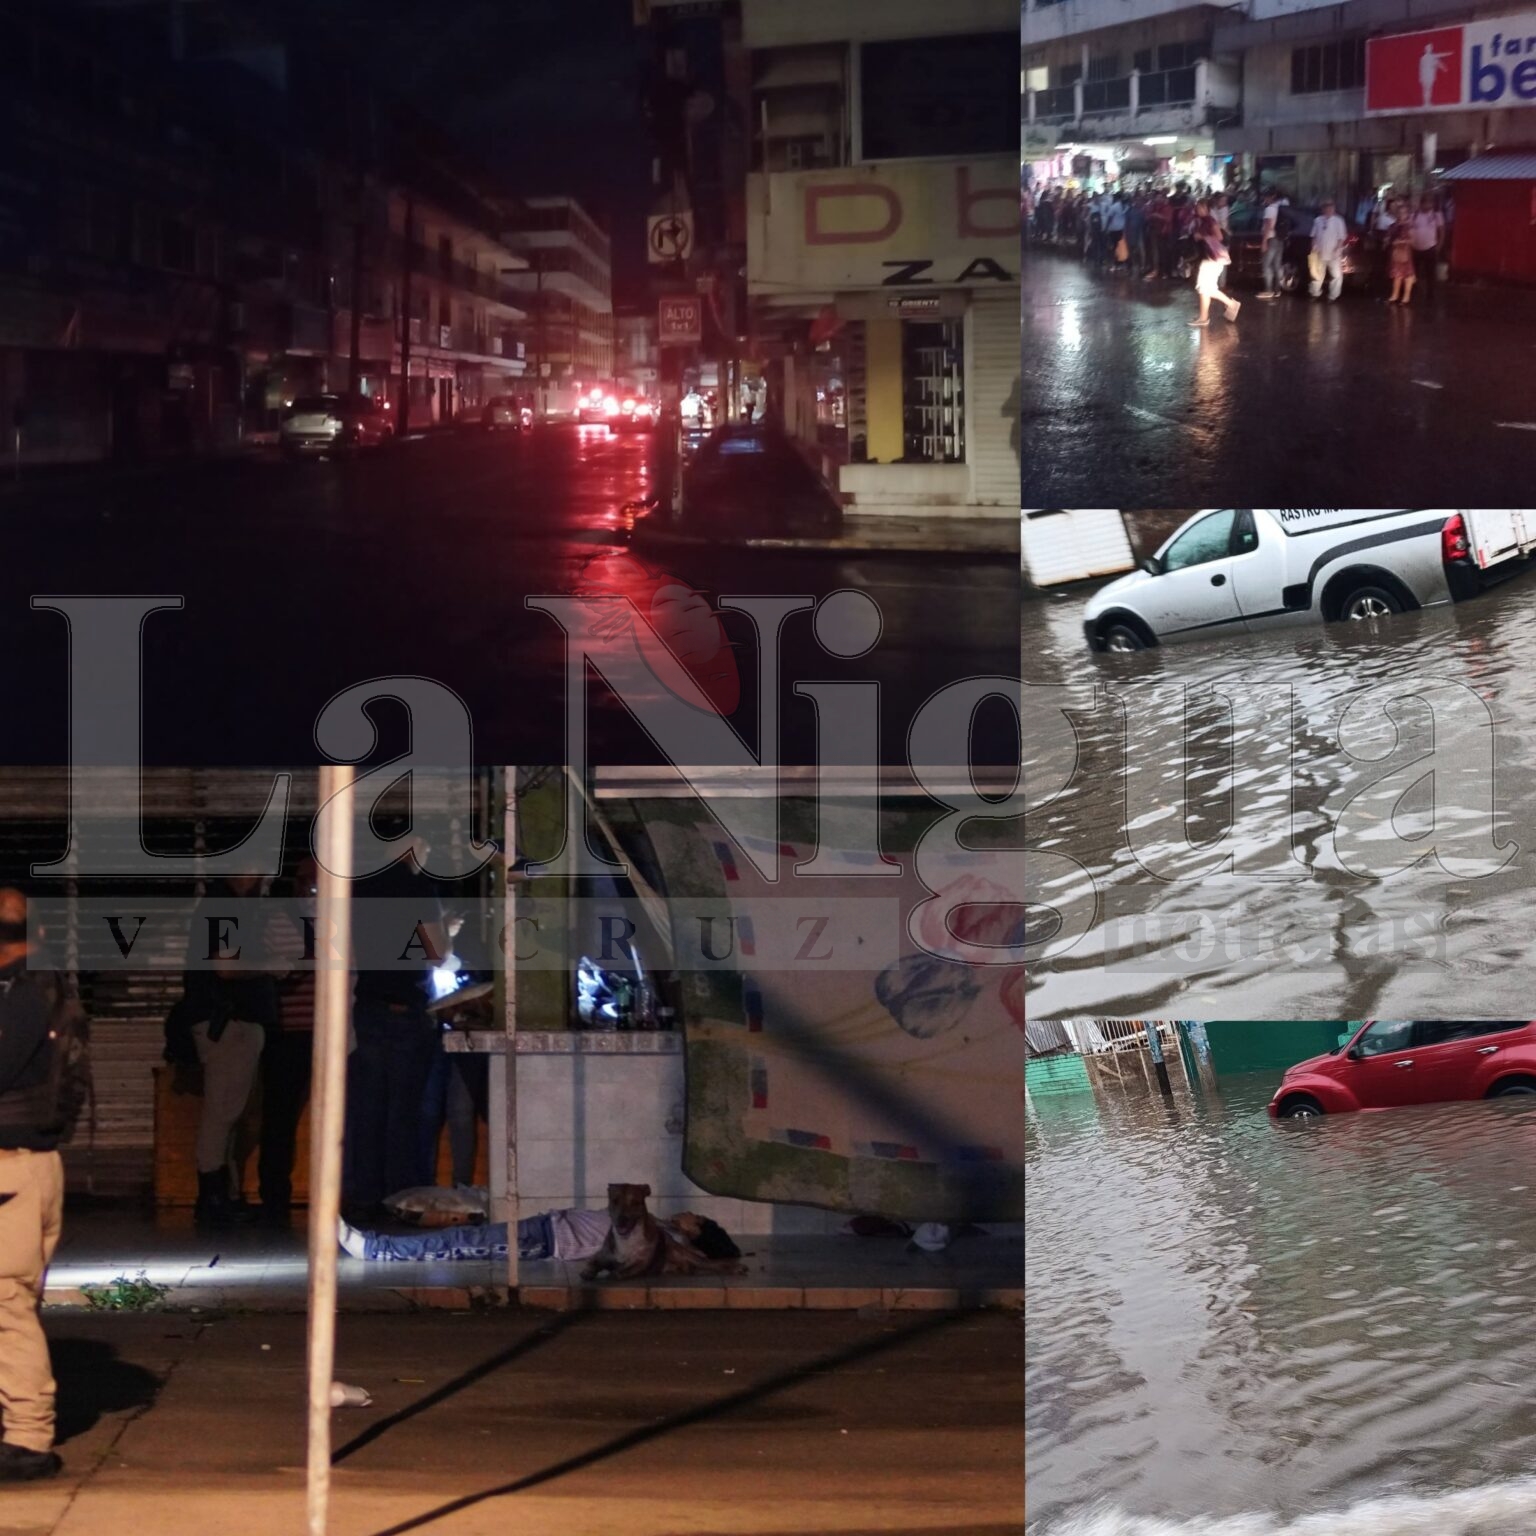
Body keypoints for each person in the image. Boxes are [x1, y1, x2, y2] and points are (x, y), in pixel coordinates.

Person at [0, 888, 83, 1481]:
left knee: (6, 1305)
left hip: (13, 1167)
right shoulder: (42, 988)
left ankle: (28, 1437)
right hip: (29, 1165)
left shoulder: (25, 994)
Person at [342, 838, 446, 1223]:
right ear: (414, 846)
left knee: (368, 1108)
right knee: (405, 1111)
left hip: (367, 1007)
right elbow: (437, 951)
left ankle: (364, 1198)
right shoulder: (417, 887)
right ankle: (401, 1199)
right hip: (406, 1008)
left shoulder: (357, 888)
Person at [181, 874, 280, 1228]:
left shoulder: (234, 907)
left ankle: (226, 1195)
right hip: (229, 1024)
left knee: (230, 1112)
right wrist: (272, 967)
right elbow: (226, 966)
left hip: (234, 1023)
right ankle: (212, 1198)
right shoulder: (224, 907)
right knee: (222, 1113)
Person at [338, 1205, 741, 1267]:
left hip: (546, 1241)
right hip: (547, 1227)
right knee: (462, 1236)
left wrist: (719, 1266)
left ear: (696, 1230)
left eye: (696, 1217)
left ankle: (375, 1249)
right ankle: (375, 1242)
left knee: (459, 1243)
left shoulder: (662, 1242)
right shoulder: (663, 1230)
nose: (688, 1213)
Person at [257, 858, 319, 1225]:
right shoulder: (279, 919)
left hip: (327, 1034)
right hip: (288, 1034)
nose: (310, 891)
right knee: (279, 1118)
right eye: (305, 883)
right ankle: (274, 1196)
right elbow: (273, 967)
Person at [1189, 200, 1240, 327]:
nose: (1199, 210)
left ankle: (1230, 304)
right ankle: (1204, 316)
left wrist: (1203, 237)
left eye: (1201, 207)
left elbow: (1219, 237)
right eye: (1198, 208)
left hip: (1213, 258)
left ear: (1207, 208)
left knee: (1206, 288)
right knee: (1204, 288)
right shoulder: (1204, 221)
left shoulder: (1210, 221)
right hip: (1209, 258)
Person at [1308, 199, 1348, 301]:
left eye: (1331, 207)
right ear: (1323, 209)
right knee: (1317, 274)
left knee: (1336, 275)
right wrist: (1314, 248)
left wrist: (1337, 249)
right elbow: (1314, 235)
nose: (1329, 209)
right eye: (1326, 207)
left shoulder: (1339, 221)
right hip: (1320, 252)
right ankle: (1315, 293)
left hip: (1334, 253)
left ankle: (1333, 296)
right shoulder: (1318, 220)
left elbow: (1341, 237)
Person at [1409, 194, 1445, 297]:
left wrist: (1439, 245)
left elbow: (1442, 231)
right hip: (1415, 248)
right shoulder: (1414, 215)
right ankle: (1413, 292)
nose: (1428, 205)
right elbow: (1408, 229)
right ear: (1421, 203)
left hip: (1430, 247)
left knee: (1430, 273)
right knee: (1414, 272)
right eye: (1426, 203)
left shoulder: (1436, 215)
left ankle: (1430, 294)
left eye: (1430, 203)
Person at [1257, 189, 1288, 299]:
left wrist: (1264, 241)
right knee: (1277, 264)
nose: (1264, 199)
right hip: (1279, 238)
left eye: (1265, 197)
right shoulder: (1279, 208)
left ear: (1270, 197)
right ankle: (1277, 289)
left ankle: (1268, 290)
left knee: (1266, 265)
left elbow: (1268, 226)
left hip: (1270, 238)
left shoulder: (1269, 209)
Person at [1386, 200, 1417, 306]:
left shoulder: (1410, 226)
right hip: (1395, 253)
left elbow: (1413, 241)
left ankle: (1406, 297)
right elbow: (1388, 239)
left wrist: (1402, 241)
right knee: (1396, 275)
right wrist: (1390, 241)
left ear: (1407, 214)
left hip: (1406, 253)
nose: (1401, 215)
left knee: (1407, 275)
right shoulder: (1393, 226)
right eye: (1399, 213)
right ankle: (1394, 295)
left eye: (1404, 213)